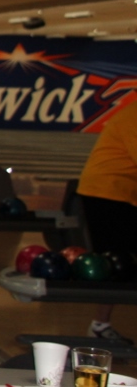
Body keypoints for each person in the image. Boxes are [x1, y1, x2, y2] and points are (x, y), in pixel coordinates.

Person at [75, 99, 137, 343]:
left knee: (117, 261)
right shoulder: (134, 115)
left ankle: (100, 325)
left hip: (120, 195)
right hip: (105, 195)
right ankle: (99, 325)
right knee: (114, 261)